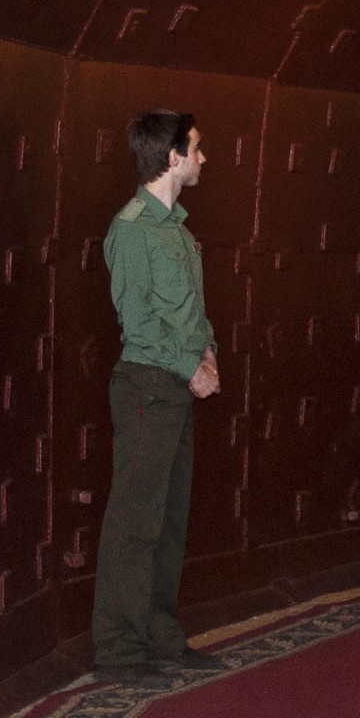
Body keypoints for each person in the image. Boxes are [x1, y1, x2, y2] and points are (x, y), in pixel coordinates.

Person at [90, 109, 228, 684]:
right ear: (171, 157)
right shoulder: (131, 230)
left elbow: (191, 313)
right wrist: (189, 368)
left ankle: (161, 635)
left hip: (177, 385)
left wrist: (209, 354)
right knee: (135, 520)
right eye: (195, 149)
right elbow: (139, 321)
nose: (202, 158)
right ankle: (120, 651)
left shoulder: (176, 229)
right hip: (148, 385)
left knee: (169, 521)